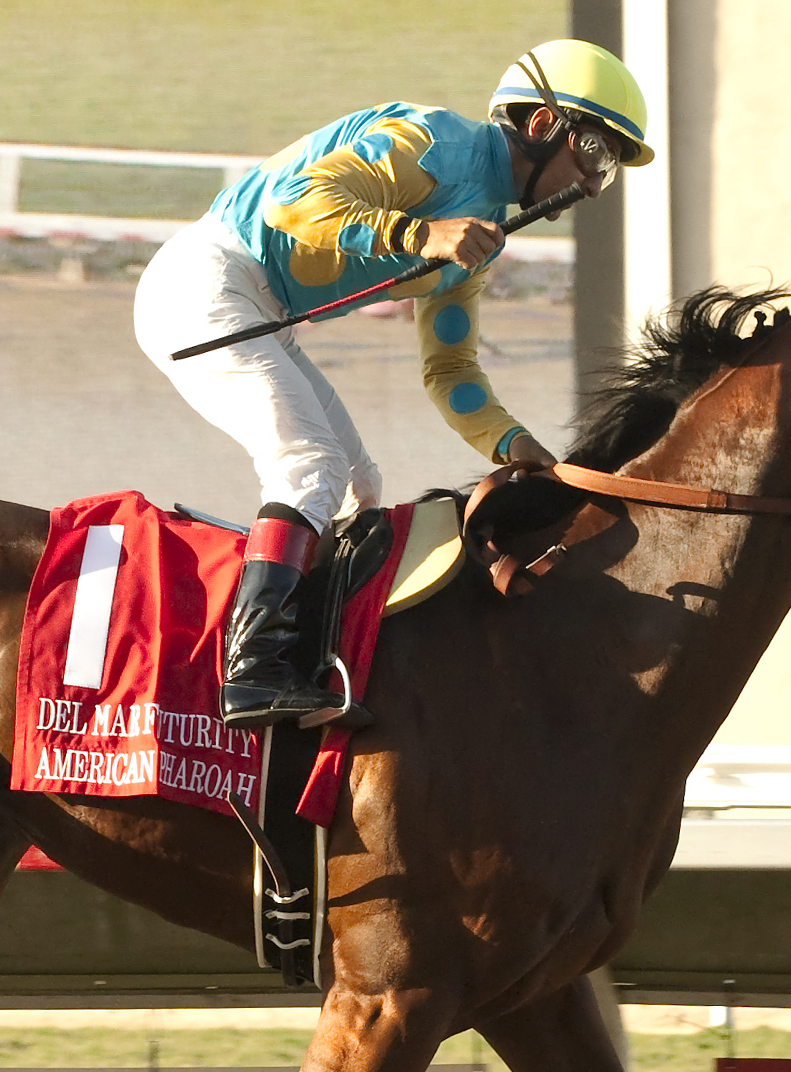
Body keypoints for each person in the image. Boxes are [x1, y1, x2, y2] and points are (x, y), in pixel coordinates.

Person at [134, 40, 653, 729]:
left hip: (259, 310)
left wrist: (516, 445)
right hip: (207, 282)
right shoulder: (432, 141)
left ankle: (314, 657)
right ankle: (252, 668)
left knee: (358, 486)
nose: (592, 183)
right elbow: (298, 200)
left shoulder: (481, 231)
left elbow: (452, 372)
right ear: (542, 125)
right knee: (308, 463)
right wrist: (420, 232)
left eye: (608, 169)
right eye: (595, 153)